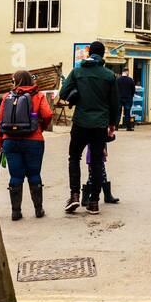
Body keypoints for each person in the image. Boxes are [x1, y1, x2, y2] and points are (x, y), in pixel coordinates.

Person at [60, 41, 120, 214]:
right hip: (100, 125)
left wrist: (77, 96)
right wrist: (112, 125)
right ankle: (94, 201)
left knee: (74, 157)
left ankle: (74, 195)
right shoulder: (109, 75)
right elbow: (115, 103)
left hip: (80, 122)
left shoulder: (78, 71)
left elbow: (64, 93)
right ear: (102, 55)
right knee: (96, 161)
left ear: (89, 53)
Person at [0, 69, 54, 221]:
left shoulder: (7, 97)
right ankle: (38, 209)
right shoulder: (38, 95)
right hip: (34, 140)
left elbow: (0, 121)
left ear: (16, 82)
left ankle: (16, 212)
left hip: (10, 140)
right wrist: (40, 126)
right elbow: (47, 114)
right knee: (34, 174)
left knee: (15, 175)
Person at [117, 67, 136, 131]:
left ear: (122, 72)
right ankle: (128, 127)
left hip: (119, 98)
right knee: (127, 113)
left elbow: (115, 89)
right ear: (127, 72)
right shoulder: (131, 80)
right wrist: (131, 96)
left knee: (118, 113)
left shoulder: (117, 80)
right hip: (128, 98)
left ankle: (116, 126)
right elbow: (133, 90)